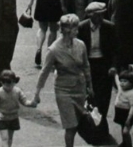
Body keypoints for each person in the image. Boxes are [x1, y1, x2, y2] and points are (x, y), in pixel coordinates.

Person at [30, 13, 93, 147]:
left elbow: (86, 66)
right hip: (63, 90)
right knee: (70, 125)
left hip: (79, 89)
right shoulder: (54, 49)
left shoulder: (81, 45)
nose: (77, 30)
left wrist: (90, 86)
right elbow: (44, 72)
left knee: (76, 124)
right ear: (66, 30)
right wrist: (36, 94)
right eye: (75, 28)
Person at [78, 2, 116, 130]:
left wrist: (114, 66)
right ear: (90, 15)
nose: (101, 18)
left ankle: (102, 122)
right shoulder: (81, 28)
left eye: (102, 15)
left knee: (104, 95)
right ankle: (89, 123)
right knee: (89, 94)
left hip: (104, 64)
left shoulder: (110, 27)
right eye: (98, 16)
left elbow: (116, 49)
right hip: (88, 64)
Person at [0, 70, 37, 147]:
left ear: (14, 82)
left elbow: (24, 101)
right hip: (3, 118)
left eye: (10, 83)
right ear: (1, 82)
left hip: (13, 118)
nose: (8, 86)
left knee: (10, 139)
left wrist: (32, 103)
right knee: (5, 138)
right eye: (6, 84)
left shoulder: (18, 91)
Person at [110, 68, 133, 147]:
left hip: (127, 114)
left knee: (125, 132)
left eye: (125, 81)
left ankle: (129, 145)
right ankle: (124, 143)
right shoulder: (121, 88)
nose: (122, 83)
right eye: (121, 81)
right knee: (122, 128)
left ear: (131, 83)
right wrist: (115, 74)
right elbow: (117, 81)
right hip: (120, 112)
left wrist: (128, 119)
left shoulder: (132, 94)